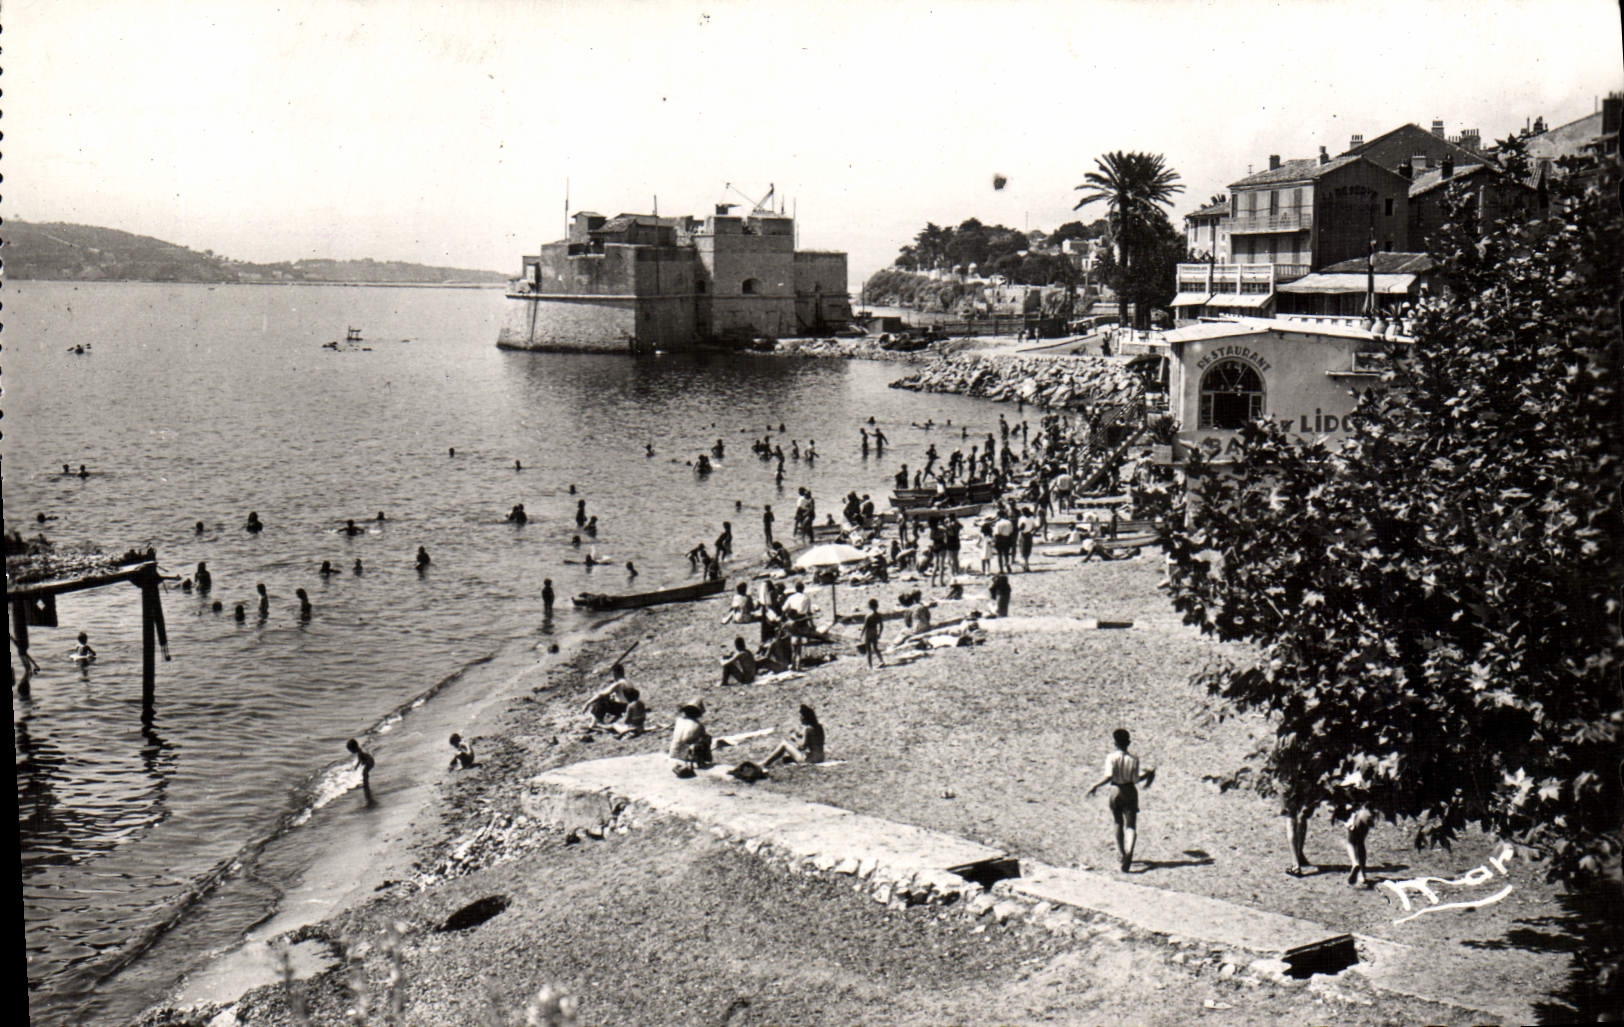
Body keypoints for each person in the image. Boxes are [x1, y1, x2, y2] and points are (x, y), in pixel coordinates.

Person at [1087, 728, 1156, 872]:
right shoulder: (1134, 759)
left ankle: (1122, 853)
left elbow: (1108, 777)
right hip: (1130, 791)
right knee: (1131, 825)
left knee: (1117, 822)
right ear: (1128, 743)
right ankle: (1130, 850)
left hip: (1115, 791)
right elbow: (1136, 780)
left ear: (1115, 742)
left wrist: (1095, 785)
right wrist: (1148, 775)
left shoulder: (1111, 757)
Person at [669, 700, 712, 774]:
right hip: (686, 756)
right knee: (706, 739)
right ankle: (701, 761)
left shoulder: (678, 721)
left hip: (673, 752)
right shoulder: (698, 725)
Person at [347, 738, 376, 803]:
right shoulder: (359, 750)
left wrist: (356, 766)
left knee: (364, 773)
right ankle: (366, 784)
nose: (351, 752)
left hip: (370, 762)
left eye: (351, 750)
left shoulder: (359, 752)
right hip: (370, 761)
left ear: (353, 748)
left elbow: (360, 760)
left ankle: (366, 785)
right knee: (365, 773)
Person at [860, 598, 886, 668]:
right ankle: (881, 660)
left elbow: (865, 626)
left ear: (870, 606)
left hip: (868, 632)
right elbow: (881, 626)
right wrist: (879, 633)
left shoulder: (868, 616)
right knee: (875, 648)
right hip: (874, 631)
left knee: (868, 650)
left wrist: (861, 634)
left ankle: (870, 666)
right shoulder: (878, 615)